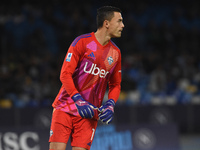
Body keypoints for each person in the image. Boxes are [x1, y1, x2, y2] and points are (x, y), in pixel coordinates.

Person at [49, 6, 124, 150]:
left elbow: (116, 84)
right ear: (106, 23)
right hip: (65, 107)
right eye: (119, 21)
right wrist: (78, 100)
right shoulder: (82, 42)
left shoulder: (116, 53)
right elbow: (65, 74)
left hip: (89, 114)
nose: (123, 25)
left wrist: (110, 104)